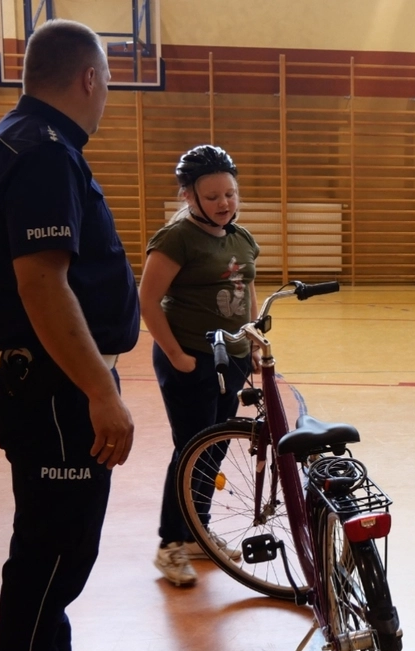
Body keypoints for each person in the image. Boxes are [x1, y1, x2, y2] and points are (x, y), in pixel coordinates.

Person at [0, 19, 136, 651]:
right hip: (57, 388)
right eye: (108, 83)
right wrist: (100, 388)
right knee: (54, 548)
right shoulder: (43, 151)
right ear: (89, 78)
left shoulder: (17, 138)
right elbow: (42, 283)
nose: (107, 96)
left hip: (45, 380)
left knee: (53, 534)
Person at [140, 145, 263, 586]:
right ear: (189, 197)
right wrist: (176, 355)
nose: (224, 203)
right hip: (189, 358)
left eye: (230, 193)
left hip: (228, 360)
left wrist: (251, 339)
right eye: (212, 197)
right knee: (189, 450)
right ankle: (170, 546)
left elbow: (248, 289)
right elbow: (148, 301)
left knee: (214, 447)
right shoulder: (176, 239)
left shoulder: (241, 237)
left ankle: (197, 531)